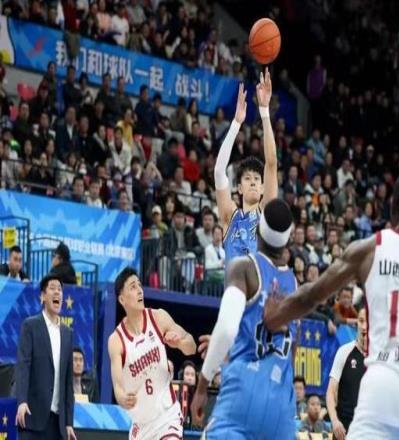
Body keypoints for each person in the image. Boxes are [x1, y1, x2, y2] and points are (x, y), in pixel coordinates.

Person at [264, 169, 399, 439]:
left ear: (391, 207)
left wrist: (274, 317)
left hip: (378, 388)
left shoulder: (368, 250)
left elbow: (311, 295)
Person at [190, 199, 297, 439]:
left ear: (257, 229)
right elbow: (289, 351)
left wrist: (202, 386)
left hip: (243, 393)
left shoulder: (244, 267)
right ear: (288, 240)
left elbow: (227, 329)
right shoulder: (295, 285)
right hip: (282, 408)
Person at [107, 267, 196, 440]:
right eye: (133, 287)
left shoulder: (158, 318)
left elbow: (191, 345)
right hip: (141, 427)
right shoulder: (116, 340)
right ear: (122, 299)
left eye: (140, 285)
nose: (140, 290)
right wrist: (123, 398)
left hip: (167, 416)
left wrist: (180, 343)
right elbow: (117, 386)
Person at [215, 69, 278, 261]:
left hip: (259, 281)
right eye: (247, 178)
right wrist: (236, 124)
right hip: (232, 281)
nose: (252, 182)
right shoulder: (229, 217)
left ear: (262, 188)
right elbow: (219, 171)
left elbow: (271, 163)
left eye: (257, 179)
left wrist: (264, 111)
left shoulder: (265, 213)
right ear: (239, 188)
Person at [15, 274, 76, 440]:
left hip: (58, 425)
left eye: (60, 289)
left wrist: (68, 422)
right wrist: (22, 401)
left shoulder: (67, 333)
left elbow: (68, 381)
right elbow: (23, 366)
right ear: (42, 296)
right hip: (32, 418)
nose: (57, 292)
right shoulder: (30, 326)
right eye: (52, 288)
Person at [326, 308, 367, 439]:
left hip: (368, 431)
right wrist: (334, 421)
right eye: (361, 321)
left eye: (368, 322)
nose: (364, 327)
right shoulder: (344, 352)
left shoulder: (379, 357)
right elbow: (331, 392)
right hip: (344, 431)